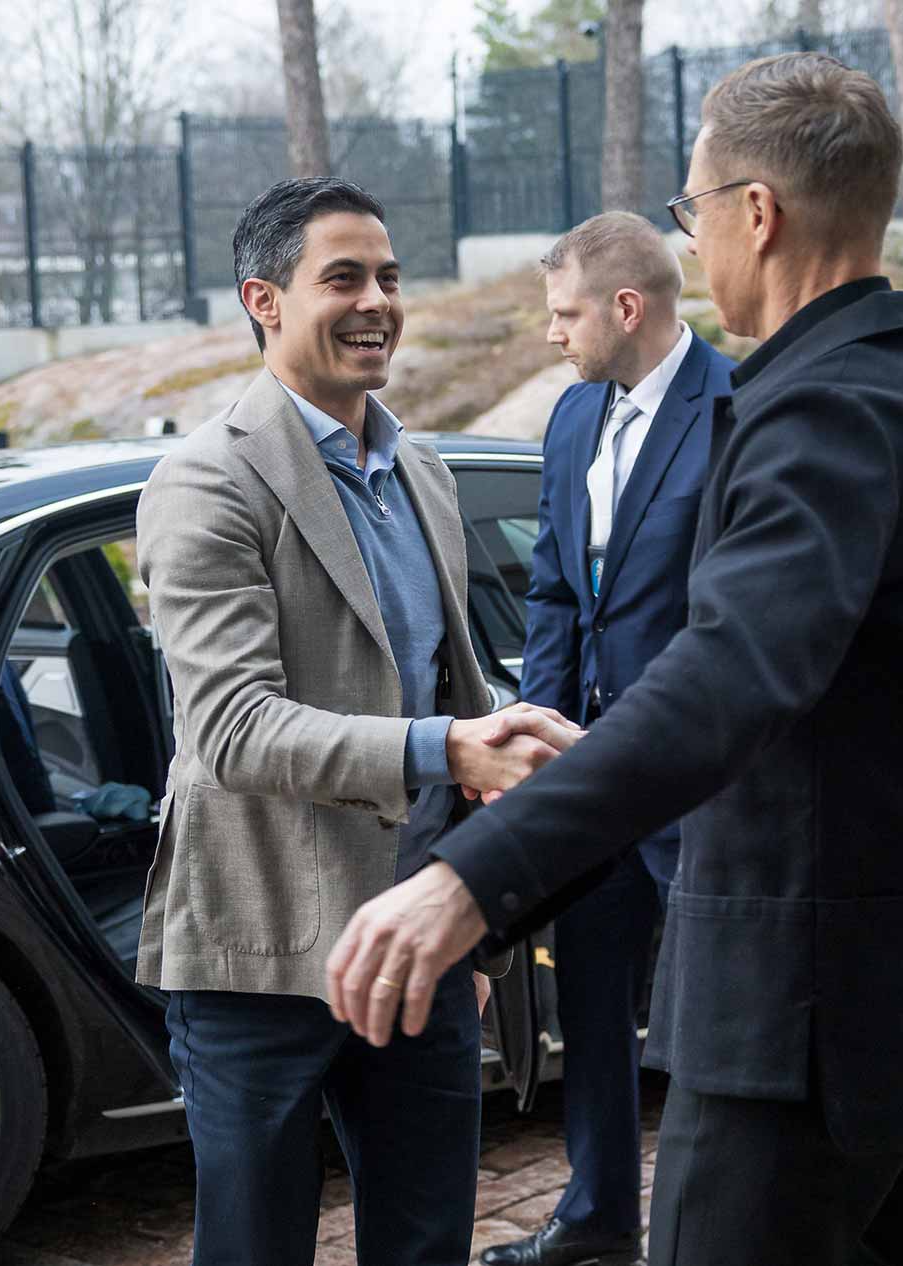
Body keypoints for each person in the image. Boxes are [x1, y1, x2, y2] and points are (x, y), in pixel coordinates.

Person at [325, 54, 903, 1266]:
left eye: (693, 210)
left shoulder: (819, 408)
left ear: (754, 215)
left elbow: (726, 677)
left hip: (811, 1027)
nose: (694, 241)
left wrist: (467, 881)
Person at [134, 177, 577, 1266]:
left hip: (420, 944)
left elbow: (448, 695)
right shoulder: (205, 480)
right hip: (259, 951)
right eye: (342, 277)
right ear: (265, 298)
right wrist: (447, 749)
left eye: (387, 276)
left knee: (426, 1244)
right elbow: (233, 728)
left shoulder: (421, 468)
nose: (376, 299)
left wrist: (478, 913)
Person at [480, 213, 733, 1266]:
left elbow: (731, 616)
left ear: (626, 308)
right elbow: (552, 595)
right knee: (587, 1003)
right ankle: (594, 1219)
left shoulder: (737, 411)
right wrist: (538, 742)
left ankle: (715, 1227)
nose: (552, 335)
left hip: (697, 783)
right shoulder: (574, 418)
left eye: (564, 313)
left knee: (717, 1016)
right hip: (586, 779)